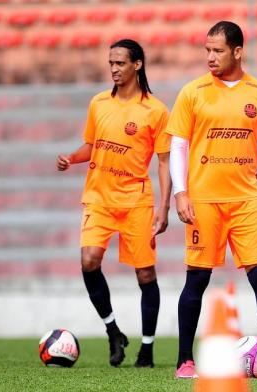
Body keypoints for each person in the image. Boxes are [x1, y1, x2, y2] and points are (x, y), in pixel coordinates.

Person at [167, 21, 257, 379]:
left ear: (238, 51)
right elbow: (178, 145)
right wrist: (181, 192)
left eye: (217, 50)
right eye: (207, 50)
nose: (210, 57)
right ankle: (184, 360)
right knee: (197, 279)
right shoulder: (192, 92)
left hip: (247, 200)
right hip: (204, 200)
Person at [57, 39, 171, 368]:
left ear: (137, 64)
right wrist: (72, 158)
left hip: (136, 201)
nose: (114, 69)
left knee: (146, 274)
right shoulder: (98, 103)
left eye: (120, 63)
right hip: (99, 198)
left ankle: (147, 349)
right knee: (89, 260)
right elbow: (91, 146)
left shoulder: (156, 110)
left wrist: (163, 208)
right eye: (111, 63)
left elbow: (164, 163)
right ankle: (113, 331)